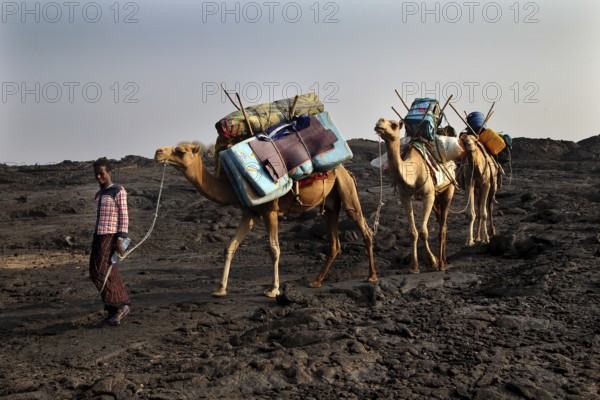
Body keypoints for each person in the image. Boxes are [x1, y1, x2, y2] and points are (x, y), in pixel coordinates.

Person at [90, 157, 131, 327]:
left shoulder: (118, 190)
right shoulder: (99, 194)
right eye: (96, 174)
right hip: (99, 236)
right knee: (100, 271)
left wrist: (120, 239)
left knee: (100, 272)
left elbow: (124, 215)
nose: (99, 177)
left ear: (109, 172)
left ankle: (120, 306)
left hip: (111, 236)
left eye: (102, 174)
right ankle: (113, 311)